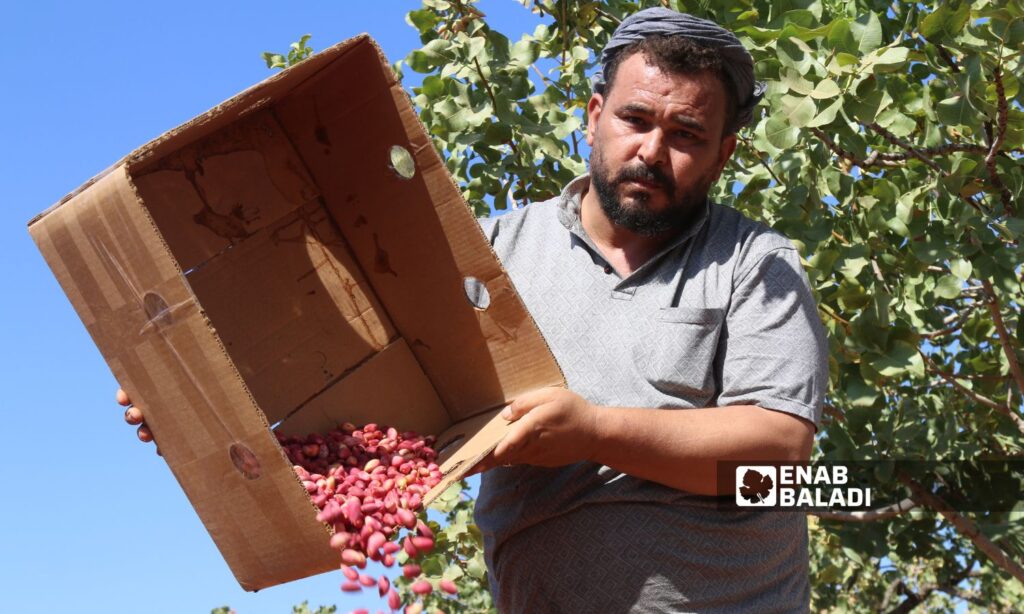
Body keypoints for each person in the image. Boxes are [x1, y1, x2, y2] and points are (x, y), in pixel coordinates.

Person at [118, 8, 828, 612]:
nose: (651, 150)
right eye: (635, 119)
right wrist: (197, 407)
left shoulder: (756, 266)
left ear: (723, 154)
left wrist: (595, 432)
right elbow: (368, 388)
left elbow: (780, 457)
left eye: (686, 135)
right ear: (593, 116)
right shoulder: (490, 253)